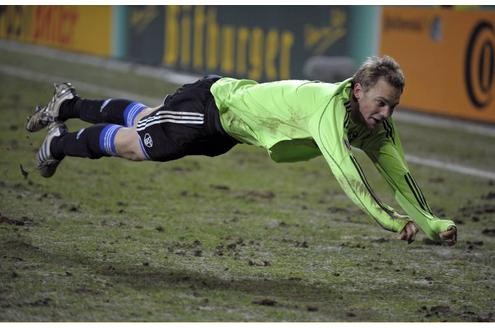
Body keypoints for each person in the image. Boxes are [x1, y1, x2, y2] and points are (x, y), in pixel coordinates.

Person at [26, 56, 457, 246]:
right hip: (214, 106)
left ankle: (67, 104)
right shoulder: (330, 109)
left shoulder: (376, 126)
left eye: (392, 106)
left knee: (145, 120)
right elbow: (346, 171)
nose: (385, 113)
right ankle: (59, 142)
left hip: (231, 130)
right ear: (358, 90)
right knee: (140, 145)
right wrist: (387, 219)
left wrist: (432, 223)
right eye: (380, 102)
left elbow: (400, 175)